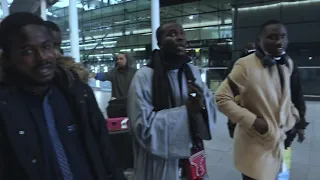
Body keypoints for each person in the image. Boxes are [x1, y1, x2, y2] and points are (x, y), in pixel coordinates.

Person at [0, 12, 125, 180]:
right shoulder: (5, 107)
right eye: (27, 51)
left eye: (47, 46)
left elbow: (106, 154)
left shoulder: (78, 93)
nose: (42, 58)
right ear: (7, 58)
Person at [127, 22, 216, 180]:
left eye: (182, 33)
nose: (180, 37)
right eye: (172, 34)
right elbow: (142, 127)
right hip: (159, 163)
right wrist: (186, 111)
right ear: (159, 43)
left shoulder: (192, 71)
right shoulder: (144, 76)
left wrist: (201, 107)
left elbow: (209, 105)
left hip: (193, 153)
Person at [215, 20, 302, 180]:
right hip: (256, 143)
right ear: (259, 41)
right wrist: (255, 121)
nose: (279, 41)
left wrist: (294, 116)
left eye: (283, 36)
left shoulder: (287, 63)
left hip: (280, 141)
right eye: (272, 37)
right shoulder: (245, 65)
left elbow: (288, 96)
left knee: (279, 175)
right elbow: (221, 98)